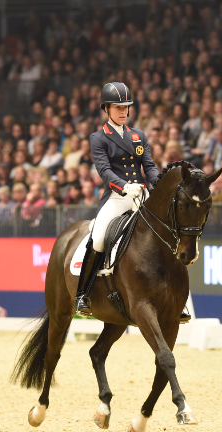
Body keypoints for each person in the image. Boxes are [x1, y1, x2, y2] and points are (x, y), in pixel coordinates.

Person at [74, 82, 160, 317]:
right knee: (99, 237)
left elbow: (149, 167)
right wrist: (124, 186)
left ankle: (178, 299)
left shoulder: (138, 135)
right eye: (118, 107)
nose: (123, 111)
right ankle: (83, 294)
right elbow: (104, 171)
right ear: (106, 109)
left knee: (167, 234)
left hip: (142, 195)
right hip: (117, 196)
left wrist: (158, 185)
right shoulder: (98, 138)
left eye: (126, 107)